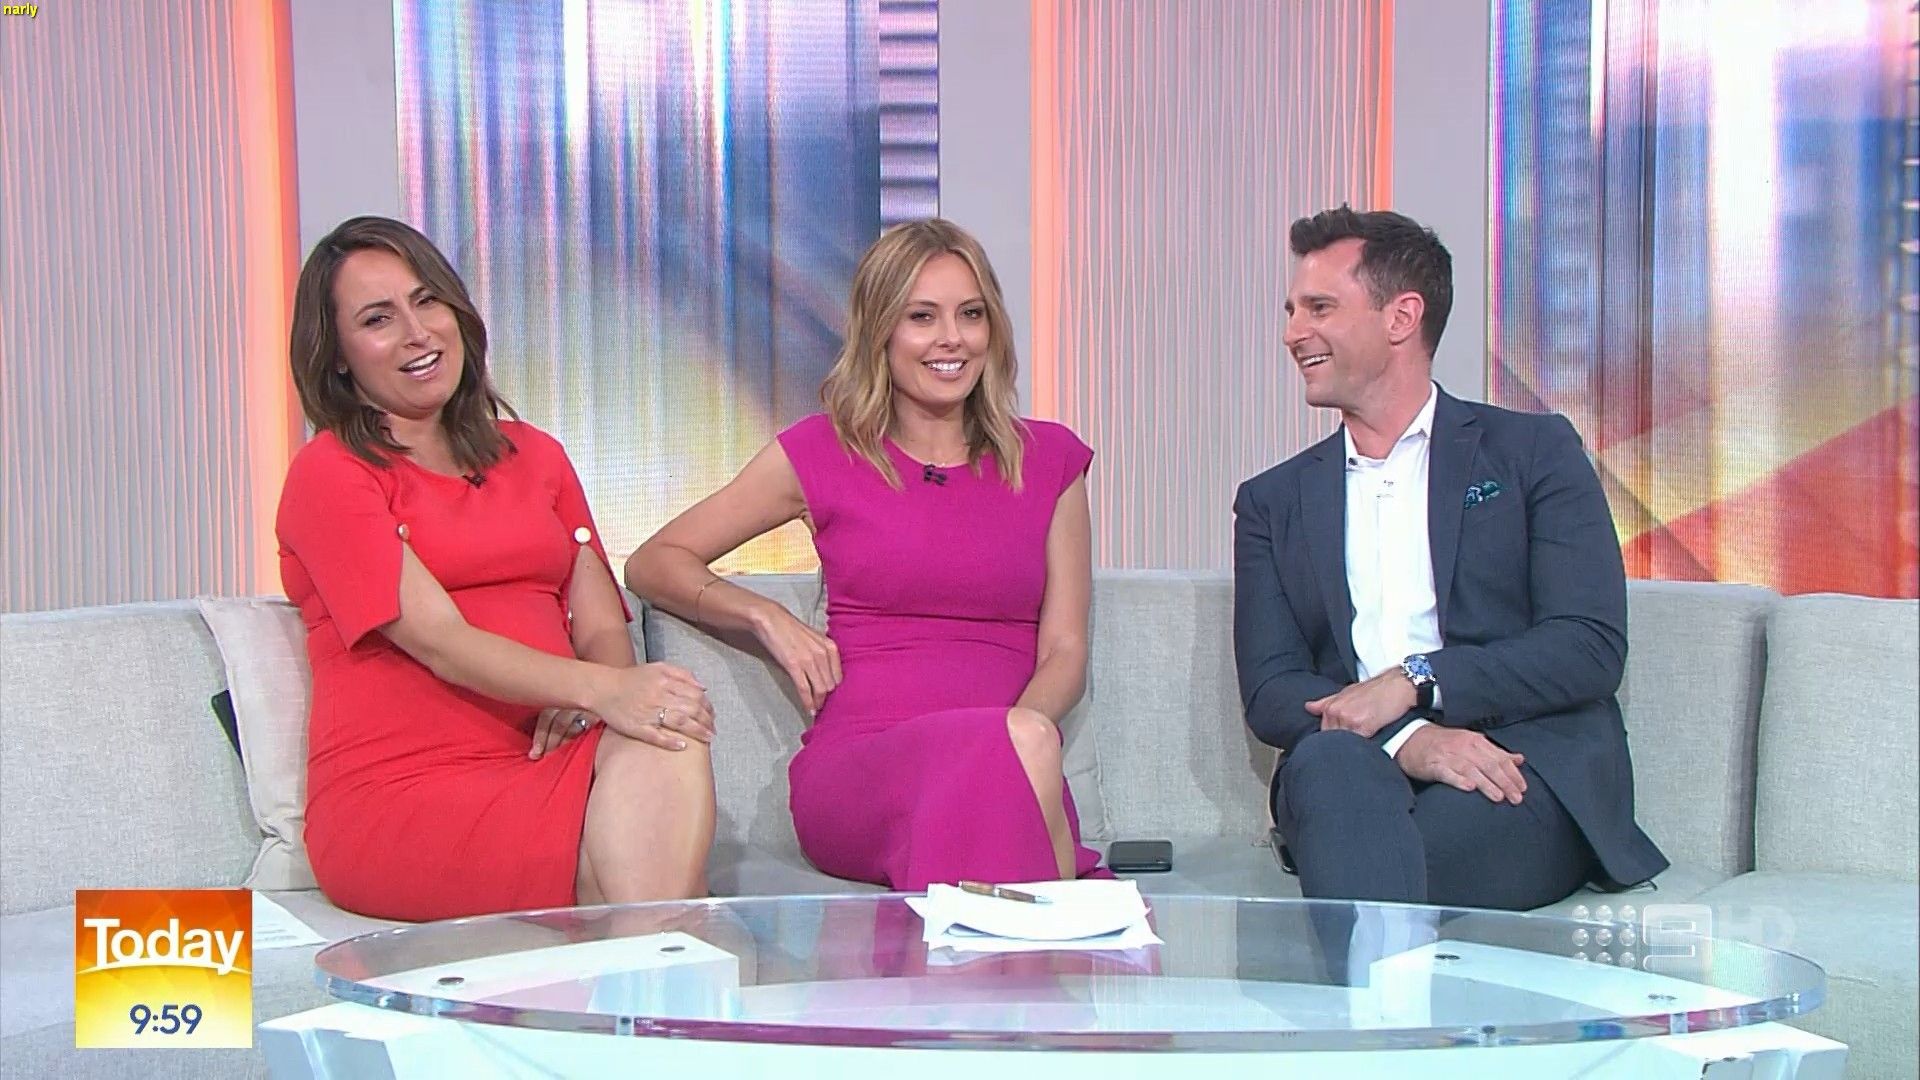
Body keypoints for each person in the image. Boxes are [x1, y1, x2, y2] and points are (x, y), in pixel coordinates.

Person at [625, 218, 1103, 889]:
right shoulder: (823, 451)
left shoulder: (1050, 460)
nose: (952, 338)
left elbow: (1065, 650)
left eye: (970, 314)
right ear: (881, 331)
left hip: (1016, 755)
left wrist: (1019, 737)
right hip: (864, 765)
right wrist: (767, 617)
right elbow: (654, 561)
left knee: (1012, 760)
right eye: (922, 317)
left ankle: (967, 946)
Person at [277, 216, 716, 921]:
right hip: (406, 792)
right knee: (639, 875)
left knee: (668, 733)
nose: (417, 333)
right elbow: (441, 641)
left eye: (426, 301)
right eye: (378, 319)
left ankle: (645, 961)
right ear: (338, 358)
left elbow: (601, 626)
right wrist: (602, 690)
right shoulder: (331, 471)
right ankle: (660, 964)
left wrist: (603, 700)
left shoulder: (537, 456)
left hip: (551, 760)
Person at [1232, 206, 1668, 910]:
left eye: (1319, 308)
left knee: (1392, 857)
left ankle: (1361, 970)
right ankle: (1388, 972)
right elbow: (1273, 689)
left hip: (1518, 761)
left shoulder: (1533, 453)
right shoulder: (1272, 502)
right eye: (1292, 311)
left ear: (1401, 317)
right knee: (1332, 773)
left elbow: (1587, 646)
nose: (1292, 333)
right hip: (1355, 766)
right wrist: (1408, 740)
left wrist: (1417, 682)